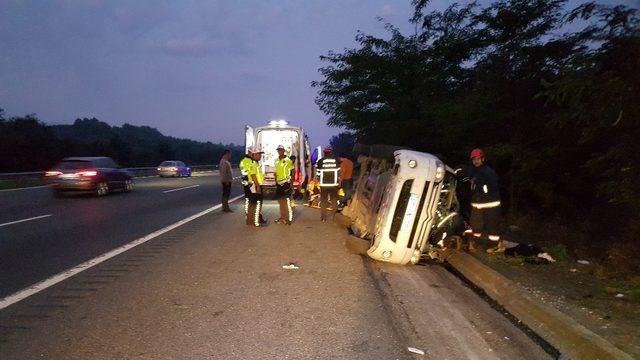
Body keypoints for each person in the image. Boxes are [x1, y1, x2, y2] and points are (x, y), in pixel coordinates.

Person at [462, 148, 503, 253]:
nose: (476, 161)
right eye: (474, 159)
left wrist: (480, 184)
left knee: (492, 227)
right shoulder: (472, 171)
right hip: (477, 205)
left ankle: (495, 245)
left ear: (483, 159)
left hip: (491, 205)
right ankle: (475, 242)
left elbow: (492, 186)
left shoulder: (488, 172)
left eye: (478, 159)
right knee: (475, 225)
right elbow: (464, 176)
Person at [316, 146, 340, 222]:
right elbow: (339, 172)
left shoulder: (320, 161)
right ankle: (334, 217)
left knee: (323, 201)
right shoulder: (336, 161)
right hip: (334, 184)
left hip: (324, 184)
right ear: (331, 152)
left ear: (324, 153)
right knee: (334, 200)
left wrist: (318, 180)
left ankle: (323, 217)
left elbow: (318, 173)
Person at [274, 145, 294, 225]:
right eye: (278, 150)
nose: (279, 151)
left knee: (287, 201)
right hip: (278, 183)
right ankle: (282, 218)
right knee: (281, 202)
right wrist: (275, 178)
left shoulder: (288, 160)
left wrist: (291, 183)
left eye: (281, 150)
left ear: (284, 151)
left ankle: (288, 219)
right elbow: (277, 170)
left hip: (286, 183)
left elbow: (293, 171)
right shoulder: (276, 160)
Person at [246, 148, 266, 227]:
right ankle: (254, 221)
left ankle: (250, 220)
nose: (260, 156)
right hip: (255, 186)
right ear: (254, 155)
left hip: (256, 185)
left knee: (254, 203)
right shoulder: (253, 164)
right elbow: (253, 175)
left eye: (260, 154)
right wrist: (258, 186)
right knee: (256, 204)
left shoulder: (256, 163)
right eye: (258, 154)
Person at [239, 149, 255, 215]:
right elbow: (252, 173)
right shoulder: (251, 161)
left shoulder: (242, 161)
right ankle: (252, 212)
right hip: (250, 182)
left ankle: (247, 212)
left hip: (245, 182)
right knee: (253, 198)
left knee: (247, 198)